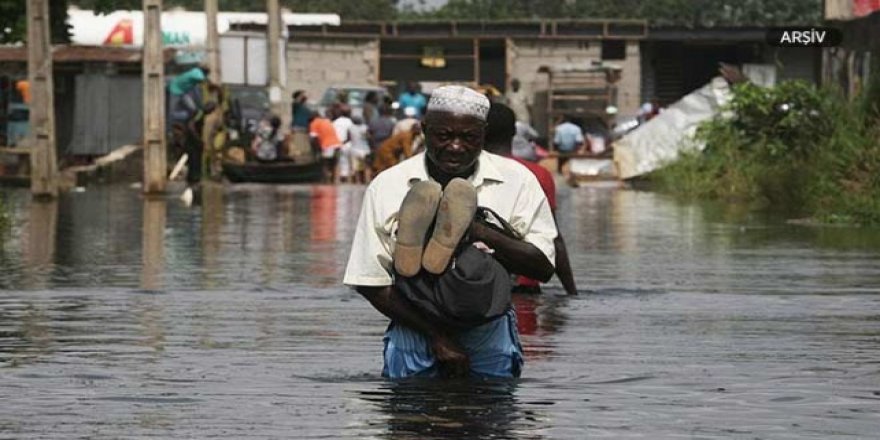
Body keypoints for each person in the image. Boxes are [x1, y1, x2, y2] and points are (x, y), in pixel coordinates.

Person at [344, 85, 558, 379]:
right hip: (415, 325)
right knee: (414, 418)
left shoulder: (518, 181)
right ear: (425, 130)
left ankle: (462, 231)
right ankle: (423, 246)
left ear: (483, 134)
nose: (455, 146)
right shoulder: (389, 184)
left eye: (468, 137)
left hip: (488, 323)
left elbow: (543, 267)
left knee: (487, 417)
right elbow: (369, 281)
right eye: (444, 136)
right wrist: (436, 336)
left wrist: (479, 232)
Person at [484, 103, 577, 296]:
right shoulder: (538, 174)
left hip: (475, 284)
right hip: (525, 289)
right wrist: (572, 292)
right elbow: (554, 237)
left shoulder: (466, 171)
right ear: (513, 132)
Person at [309, 111, 342, 183]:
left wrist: (317, 150)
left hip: (327, 145)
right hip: (337, 144)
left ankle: (326, 181)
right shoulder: (327, 121)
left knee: (325, 164)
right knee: (335, 163)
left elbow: (313, 138)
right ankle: (335, 181)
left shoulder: (314, 123)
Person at [333, 104, 355, 183]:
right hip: (348, 144)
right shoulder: (350, 122)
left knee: (338, 162)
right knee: (350, 162)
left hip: (337, 144)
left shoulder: (335, 122)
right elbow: (350, 134)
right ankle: (349, 181)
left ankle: (336, 180)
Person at [348, 116, 371, 183]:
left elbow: (349, 138)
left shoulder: (351, 128)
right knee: (367, 166)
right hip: (365, 149)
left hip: (354, 149)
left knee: (356, 167)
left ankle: (357, 181)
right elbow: (368, 137)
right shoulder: (365, 127)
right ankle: (367, 180)